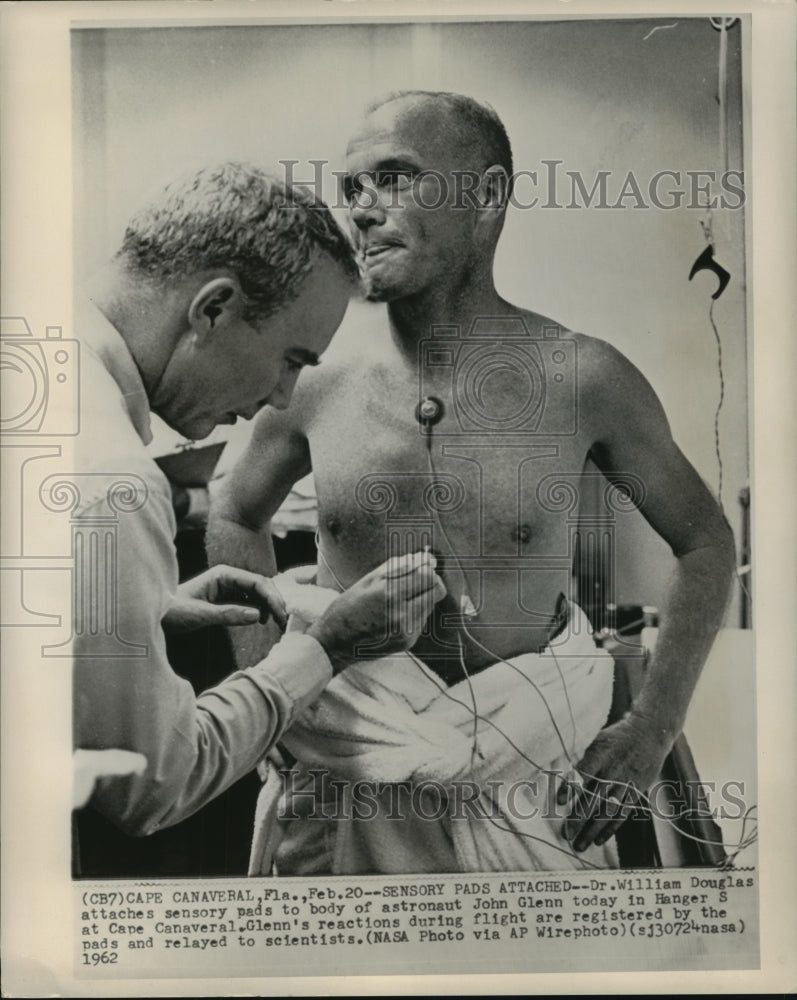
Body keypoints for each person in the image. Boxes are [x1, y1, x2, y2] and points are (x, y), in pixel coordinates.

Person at [207, 94, 735, 873]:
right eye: (351, 189)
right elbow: (233, 512)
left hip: (527, 778)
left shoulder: (582, 375)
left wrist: (653, 723)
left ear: (486, 196)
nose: (362, 210)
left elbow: (706, 542)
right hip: (349, 765)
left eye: (393, 178)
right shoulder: (318, 381)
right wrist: (270, 695)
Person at [71, 161, 446, 857]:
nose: (280, 397)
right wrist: (325, 649)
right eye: (290, 359)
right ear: (213, 308)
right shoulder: (109, 479)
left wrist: (138, 604)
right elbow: (154, 785)